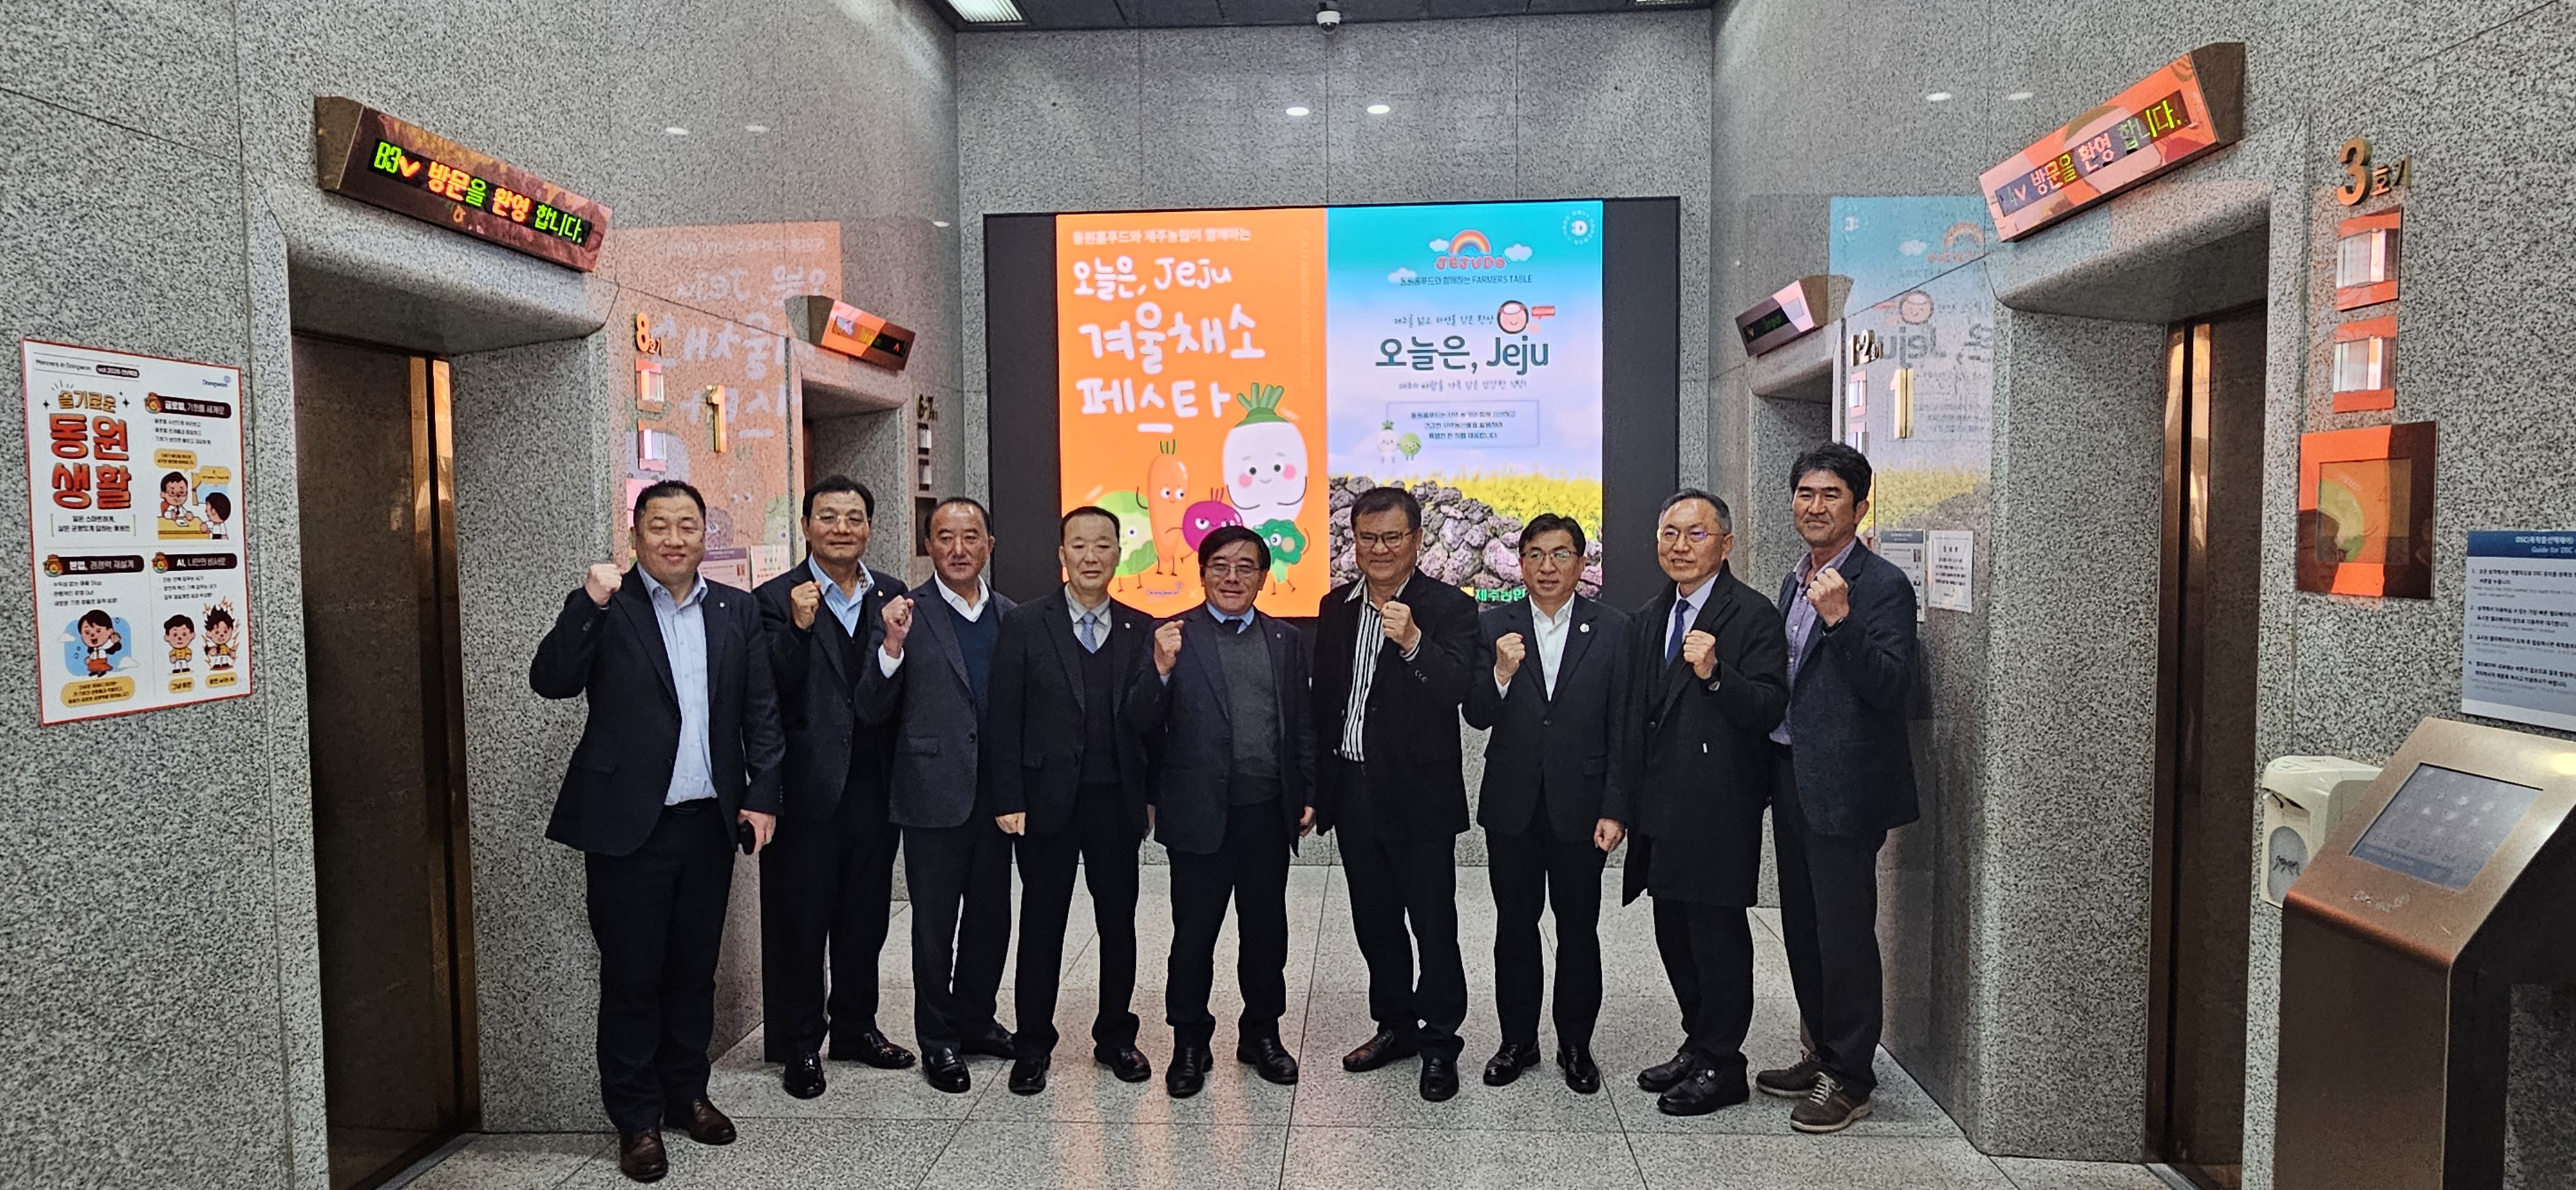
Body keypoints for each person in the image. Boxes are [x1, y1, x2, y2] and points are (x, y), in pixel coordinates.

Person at [528, 479, 783, 1183]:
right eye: (660, 526)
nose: (675, 539)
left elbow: (761, 710)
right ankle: (636, 1119)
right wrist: (587, 603)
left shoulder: (734, 609)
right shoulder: (610, 606)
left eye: (688, 526)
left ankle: (686, 1094)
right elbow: (550, 680)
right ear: (636, 534)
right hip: (629, 828)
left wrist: (762, 795)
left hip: (709, 824)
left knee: (693, 973)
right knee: (632, 978)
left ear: (706, 535)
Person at [1755, 444, 1920, 1133]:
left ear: (1860, 506)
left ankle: (1851, 1077)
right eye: (1805, 493)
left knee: (1845, 931)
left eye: (1830, 495)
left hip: (1846, 787)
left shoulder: (1881, 586)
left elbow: (1891, 687)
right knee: (1803, 924)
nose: (1815, 506)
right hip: (1791, 774)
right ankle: (1821, 1052)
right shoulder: (1794, 579)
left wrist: (1842, 621)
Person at [1124, 525, 1316, 1099]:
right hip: (1199, 814)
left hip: (1266, 812)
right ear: (1202, 573)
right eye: (1221, 567)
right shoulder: (1171, 635)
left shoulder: (1284, 639)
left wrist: (1308, 789)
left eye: (1246, 567)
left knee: (1266, 933)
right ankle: (1190, 1041)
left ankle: (1262, 1034)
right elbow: (1138, 719)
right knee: (1194, 937)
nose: (1233, 578)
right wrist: (1161, 669)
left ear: (1264, 577)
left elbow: (1301, 722)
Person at [1310, 485, 1481, 1102]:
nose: (1379, 549)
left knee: (1433, 924)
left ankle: (1440, 1041)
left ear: (1417, 540)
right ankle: (1395, 1025)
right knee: (1375, 920)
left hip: (1419, 796)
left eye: (1392, 537)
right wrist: (1316, 788)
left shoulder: (1450, 607)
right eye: (1367, 538)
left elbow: (1458, 688)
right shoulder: (1335, 607)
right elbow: (1324, 705)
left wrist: (1413, 644)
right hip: (1353, 790)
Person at [1621, 488, 1788, 1117]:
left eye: (1696, 534)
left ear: (1726, 543)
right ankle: (1697, 1043)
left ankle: (1725, 1063)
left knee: (1717, 939)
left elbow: (1769, 707)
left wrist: (1717, 675)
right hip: (1660, 807)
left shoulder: (1752, 615)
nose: (1680, 547)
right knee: (1674, 934)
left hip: (1719, 807)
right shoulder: (1650, 616)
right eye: (1670, 534)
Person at [751, 475, 914, 1102]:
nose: (841, 528)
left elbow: (896, 689)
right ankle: (799, 1044)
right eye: (828, 517)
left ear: (869, 528)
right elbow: (767, 690)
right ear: (805, 527)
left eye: (853, 518)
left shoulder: (892, 595)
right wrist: (797, 629)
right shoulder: (773, 599)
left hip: (873, 787)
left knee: (865, 919)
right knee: (800, 923)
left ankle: (855, 1028)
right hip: (804, 792)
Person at [1459, 514, 1630, 1094]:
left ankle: (1576, 1045)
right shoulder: (1493, 625)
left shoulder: (1614, 629)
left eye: (1560, 555)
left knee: (1579, 929)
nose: (1547, 567)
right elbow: (1477, 714)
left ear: (1582, 563)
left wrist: (1616, 806)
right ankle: (1517, 1042)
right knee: (1514, 925)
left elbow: (1623, 725)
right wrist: (1502, 674)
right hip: (1513, 802)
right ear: (1520, 564)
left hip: (1583, 804)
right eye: (1534, 554)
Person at [988, 506, 1156, 1094]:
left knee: (1118, 924)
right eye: (1079, 545)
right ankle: (1033, 1044)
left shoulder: (1141, 627)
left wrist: (1151, 798)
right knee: (1042, 924)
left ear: (1118, 555)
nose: (1091, 556)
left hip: (1116, 802)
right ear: (1062, 554)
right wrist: (1008, 795)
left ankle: (1116, 1036)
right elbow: (1004, 717)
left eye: (1103, 545)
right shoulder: (1025, 624)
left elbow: (1153, 724)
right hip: (1044, 801)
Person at [860, 496, 1018, 1093]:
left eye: (970, 536)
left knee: (991, 920)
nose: (958, 548)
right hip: (931, 793)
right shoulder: (904, 613)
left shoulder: (1011, 616)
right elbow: (871, 707)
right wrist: (891, 650)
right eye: (945, 537)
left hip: (998, 798)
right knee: (934, 927)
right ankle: (939, 1038)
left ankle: (977, 1020)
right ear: (928, 546)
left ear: (989, 545)